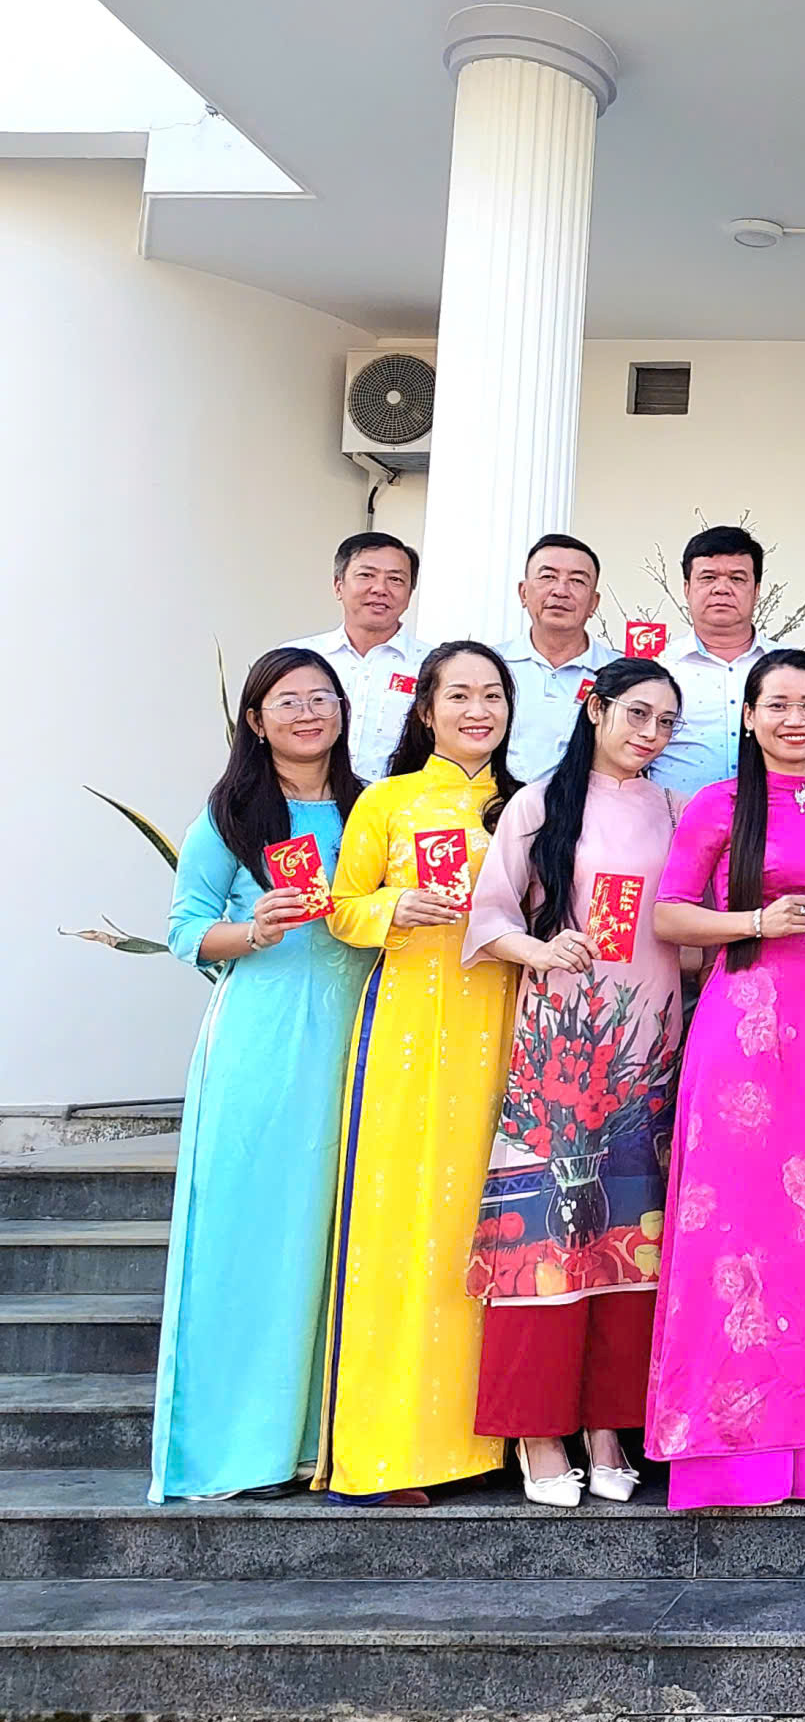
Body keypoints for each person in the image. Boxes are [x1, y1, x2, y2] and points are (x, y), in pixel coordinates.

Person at [647, 649, 805, 1510]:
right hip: (739, 1038)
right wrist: (752, 919)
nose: (796, 719)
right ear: (748, 718)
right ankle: (725, 1451)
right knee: (729, 1234)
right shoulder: (717, 806)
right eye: (777, 704)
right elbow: (667, 915)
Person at [460, 658, 688, 1507]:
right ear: (595, 709)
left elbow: (690, 923)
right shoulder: (537, 805)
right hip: (559, 1041)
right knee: (547, 1236)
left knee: (636, 1238)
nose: (650, 733)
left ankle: (607, 1423)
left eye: (667, 722)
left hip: (650, 1047)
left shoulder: (677, 810)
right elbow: (490, 913)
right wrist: (542, 948)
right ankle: (538, 1429)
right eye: (637, 713)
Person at [149, 649, 372, 1503]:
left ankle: (328, 1444)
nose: (308, 713)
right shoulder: (231, 815)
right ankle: (239, 1448)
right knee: (255, 1234)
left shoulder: (370, 807)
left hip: (361, 1033)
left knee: (340, 1238)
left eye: (322, 698)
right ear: (255, 719)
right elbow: (185, 931)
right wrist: (256, 930)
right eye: (288, 701)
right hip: (265, 1038)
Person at [317, 640, 524, 1503]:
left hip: (510, 1026)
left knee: (499, 1223)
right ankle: (393, 1448)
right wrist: (394, 905)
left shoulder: (529, 804)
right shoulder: (388, 801)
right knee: (406, 1224)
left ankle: (502, 1439)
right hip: (411, 1029)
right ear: (426, 710)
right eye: (460, 695)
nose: (478, 711)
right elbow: (341, 907)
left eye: (493, 696)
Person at [655, 524, 784, 798]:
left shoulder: (788, 667)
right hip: (676, 818)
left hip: (772, 817)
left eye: (737, 578)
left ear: (756, 590)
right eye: (708, 578)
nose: (722, 589)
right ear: (687, 588)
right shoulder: (660, 668)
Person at [289, 532, 423, 783]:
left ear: (409, 593)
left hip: (399, 803)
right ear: (338, 585)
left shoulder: (433, 666)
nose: (380, 589)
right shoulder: (297, 658)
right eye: (366, 575)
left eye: (395, 579)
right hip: (304, 798)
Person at [496, 534, 616, 781]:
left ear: (594, 603)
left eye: (577, 581)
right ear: (523, 592)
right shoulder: (490, 665)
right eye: (548, 577)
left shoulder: (619, 674)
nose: (561, 591)